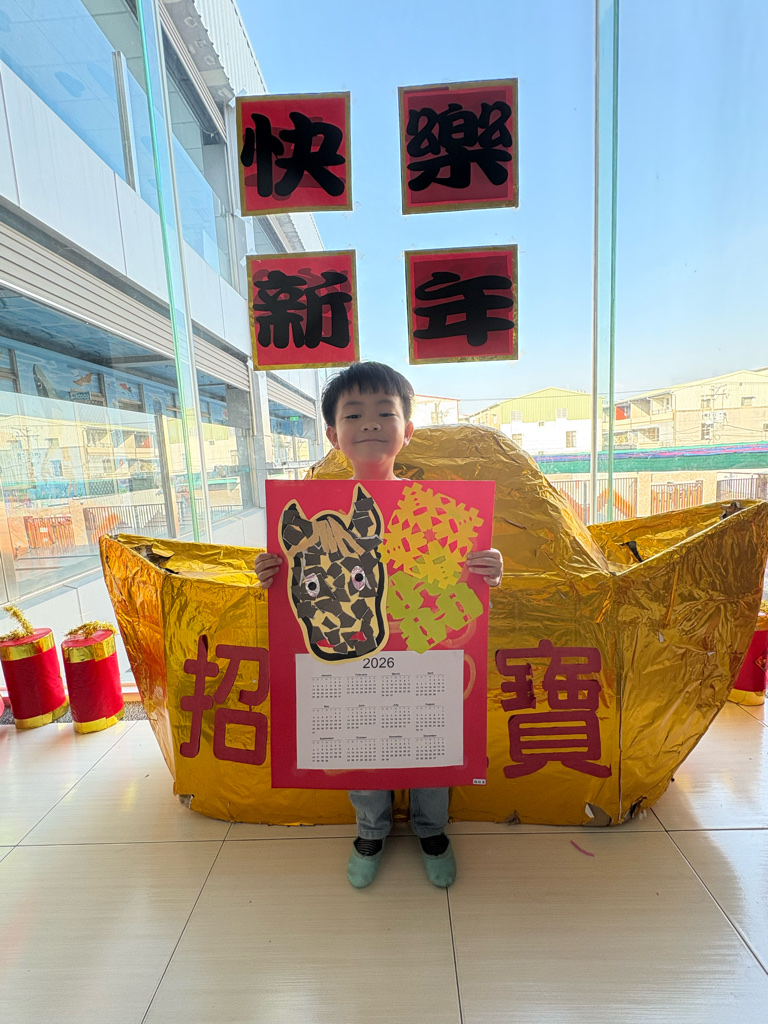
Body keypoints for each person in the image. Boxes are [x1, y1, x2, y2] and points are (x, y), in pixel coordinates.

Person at [255, 362, 502, 889]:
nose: (369, 423)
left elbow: (461, 586)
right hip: (346, 660)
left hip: (421, 654)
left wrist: (488, 568)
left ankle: (432, 829)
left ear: (407, 430)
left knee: (432, 736)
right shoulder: (307, 515)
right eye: (353, 414)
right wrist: (269, 573)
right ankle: (371, 829)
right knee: (357, 740)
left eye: (385, 413)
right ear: (332, 435)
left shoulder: (433, 510)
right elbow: (293, 592)